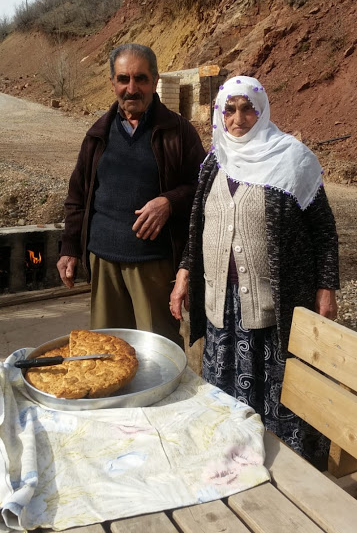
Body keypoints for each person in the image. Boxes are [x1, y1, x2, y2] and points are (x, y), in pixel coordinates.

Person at [170, 75, 339, 466]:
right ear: (220, 114)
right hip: (220, 308)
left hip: (273, 310)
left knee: (279, 398)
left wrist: (326, 287)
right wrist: (183, 274)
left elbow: (324, 229)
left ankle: (289, 473)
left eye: (248, 108)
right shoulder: (214, 161)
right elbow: (198, 228)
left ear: (262, 111)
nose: (239, 118)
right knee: (225, 397)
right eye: (229, 109)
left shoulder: (292, 159)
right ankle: (233, 462)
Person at [57, 43, 205, 346]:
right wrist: (69, 246)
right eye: (123, 79)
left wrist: (169, 201)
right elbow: (78, 194)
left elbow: (204, 190)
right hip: (103, 262)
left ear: (155, 80)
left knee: (158, 352)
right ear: (112, 82)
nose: (132, 88)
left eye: (140, 78)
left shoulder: (178, 132)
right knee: (105, 351)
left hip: (154, 264)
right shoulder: (98, 133)